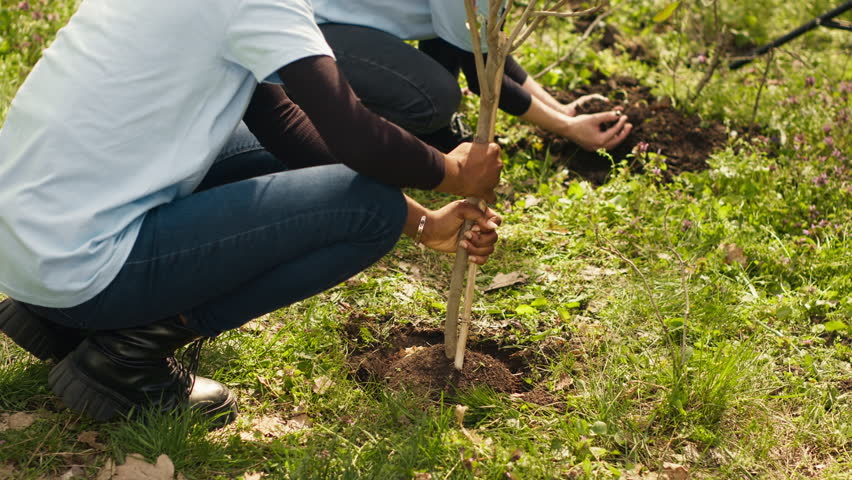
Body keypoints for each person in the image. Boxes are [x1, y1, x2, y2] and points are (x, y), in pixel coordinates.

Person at [0, 0, 502, 426]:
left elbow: (285, 127)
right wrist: (453, 172)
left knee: (254, 148)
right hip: (79, 265)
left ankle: (54, 318)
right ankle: (129, 352)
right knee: (372, 211)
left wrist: (423, 223)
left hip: (25, 243)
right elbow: (354, 134)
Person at [312, 0, 633, 153]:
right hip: (317, 32)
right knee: (437, 99)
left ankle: (431, 133)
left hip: (344, 21)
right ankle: (332, 125)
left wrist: (563, 110)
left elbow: (486, 50)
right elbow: (482, 77)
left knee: (453, 38)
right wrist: (567, 128)